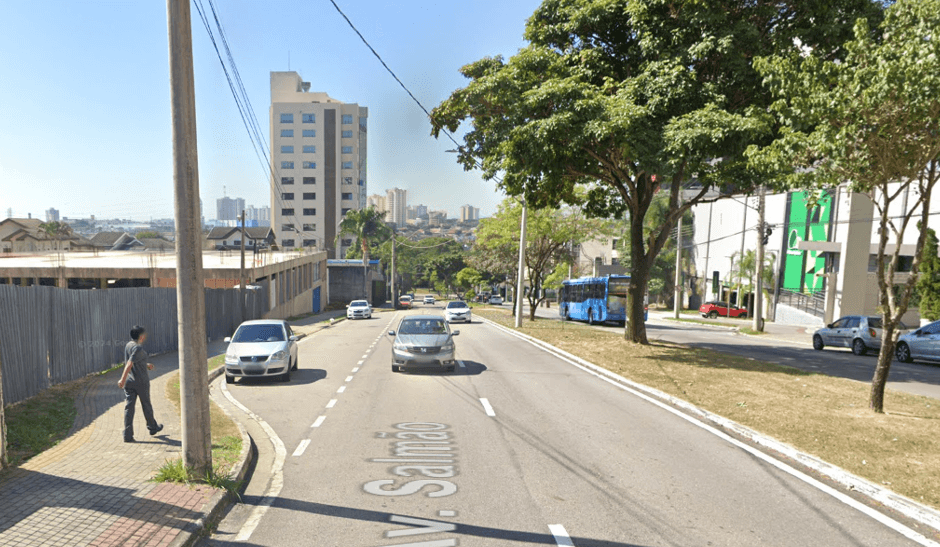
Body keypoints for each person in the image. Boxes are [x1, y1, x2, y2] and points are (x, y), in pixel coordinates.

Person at [118, 325, 163, 442]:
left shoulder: (128, 345)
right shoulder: (137, 348)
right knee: (146, 405)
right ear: (141, 336)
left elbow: (135, 361)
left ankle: (127, 435)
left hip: (130, 382)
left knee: (129, 408)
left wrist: (146, 365)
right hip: (141, 382)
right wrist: (121, 379)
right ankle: (152, 427)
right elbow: (129, 363)